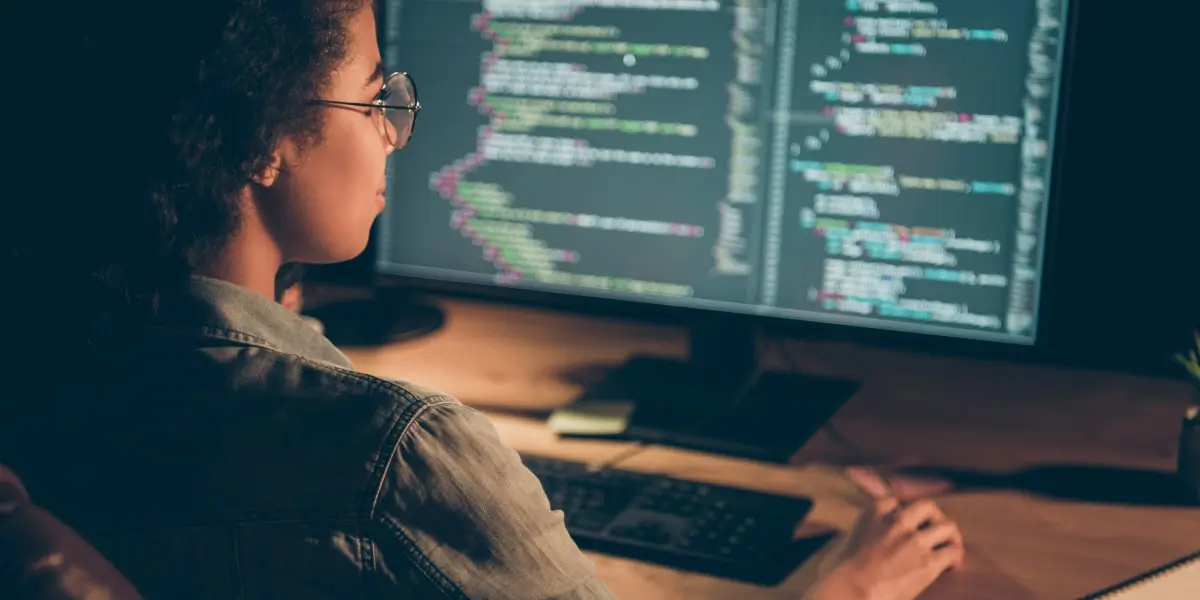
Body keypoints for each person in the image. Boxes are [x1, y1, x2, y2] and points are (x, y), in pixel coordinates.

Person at [0, 1, 963, 598]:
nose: (392, 132)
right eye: (374, 99)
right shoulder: (401, 455)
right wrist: (854, 588)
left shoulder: (40, 377)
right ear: (263, 142)